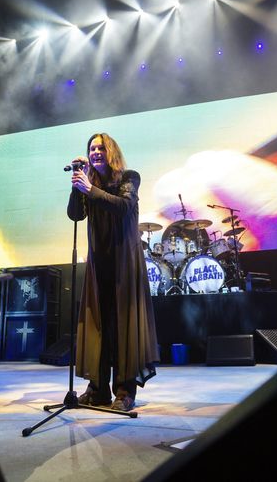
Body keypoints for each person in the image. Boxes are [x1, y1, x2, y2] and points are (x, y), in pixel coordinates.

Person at [67, 133, 159, 411]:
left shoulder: (130, 177)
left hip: (124, 262)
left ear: (111, 152)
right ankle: (98, 390)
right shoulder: (88, 183)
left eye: (100, 148)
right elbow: (75, 215)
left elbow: (123, 206)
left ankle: (124, 391)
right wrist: (77, 184)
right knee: (99, 326)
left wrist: (89, 189)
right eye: (91, 148)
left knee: (123, 325)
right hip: (99, 262)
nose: (95, 152)